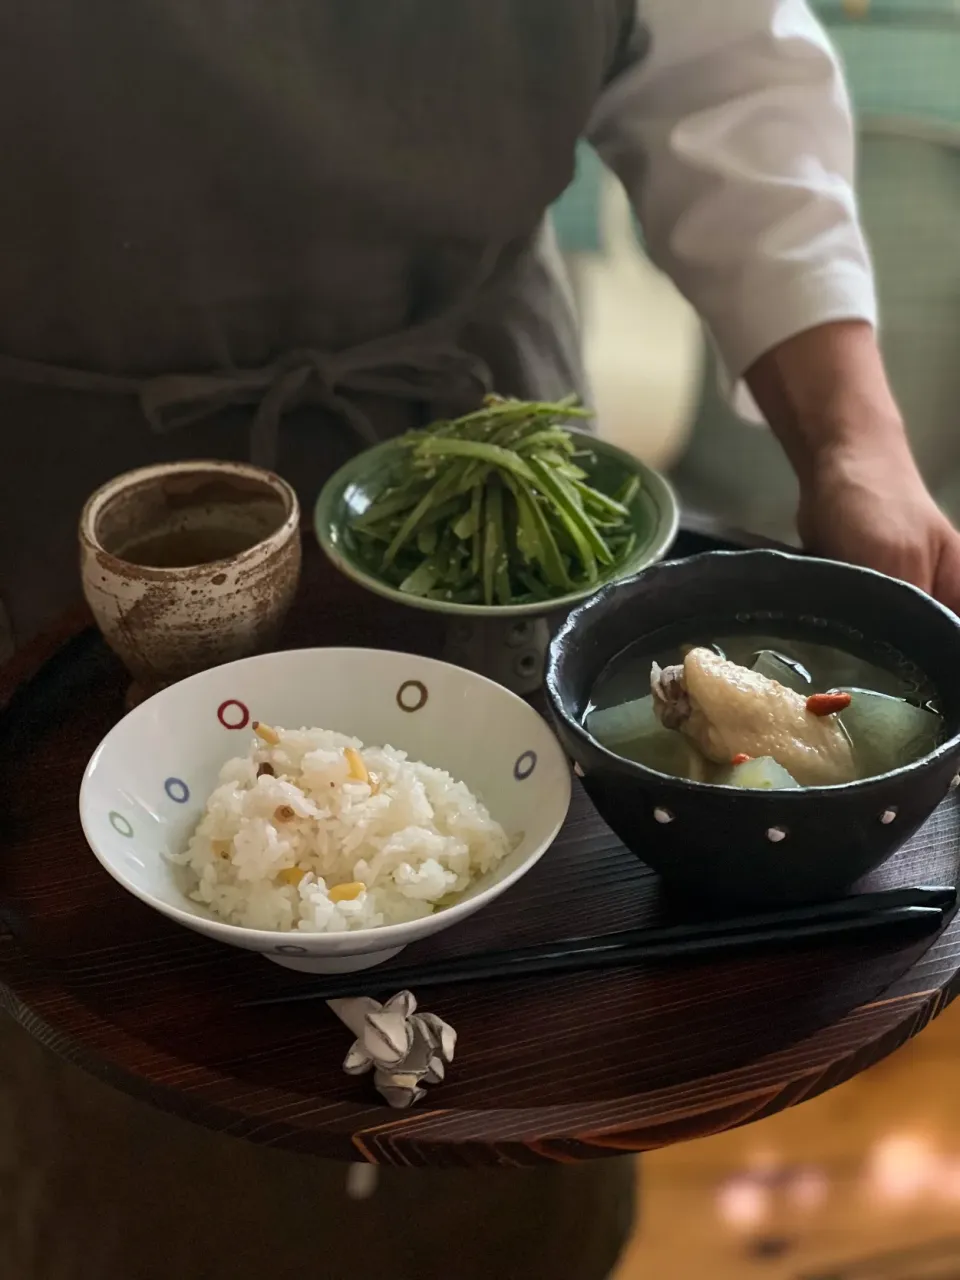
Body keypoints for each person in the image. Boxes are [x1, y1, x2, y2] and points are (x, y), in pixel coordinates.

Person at [0, 2, 957, 1276]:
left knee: (518, 1114)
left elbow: (729, 73)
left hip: (482, 454)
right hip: (87, 495)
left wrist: (854, 442)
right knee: (141, 1139)